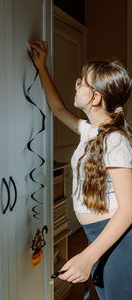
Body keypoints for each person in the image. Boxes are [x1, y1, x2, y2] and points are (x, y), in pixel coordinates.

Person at [28, 41, 132, 299]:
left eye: (81, 83)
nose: (76, 84)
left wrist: (87, 257)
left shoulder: (115, 140)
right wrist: (41, 67)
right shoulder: (90, 130)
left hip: (117, 237)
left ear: (95, 98)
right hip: (98, 234)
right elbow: (58, 108)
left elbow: (129, 210)